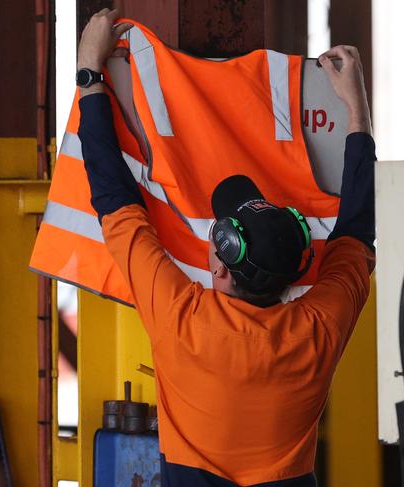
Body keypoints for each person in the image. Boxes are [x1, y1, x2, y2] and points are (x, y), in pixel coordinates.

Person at [76, 8, 375, 487]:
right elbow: (357, 231)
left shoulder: (183, 321)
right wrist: (355, 108)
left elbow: (115, 197)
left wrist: (91, 72)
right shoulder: (318, 329)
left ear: (220, 268)